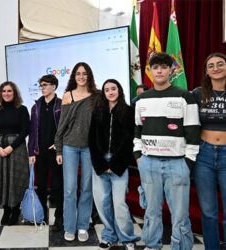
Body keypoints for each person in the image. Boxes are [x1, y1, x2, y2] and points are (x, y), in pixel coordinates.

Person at [134, 52, 200, 250]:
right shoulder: (141, 99)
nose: (159, 70)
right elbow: (137, 131)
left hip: (177, 163)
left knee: (179, 214)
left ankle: (180, 247)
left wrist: (188, 161)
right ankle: (152, 245)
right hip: (149, 163)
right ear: (150, 71)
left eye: (164, 67)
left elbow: (193, 131)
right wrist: (139, 158)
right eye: (155, 67)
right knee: (151, 211)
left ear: (171, 70)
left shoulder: (185, 96)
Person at [89, 79, 140, 249]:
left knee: (119, 204)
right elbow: (91, 140)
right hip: (100, 163)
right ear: (103, 93)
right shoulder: (97, 112)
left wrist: (116, 164)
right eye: (107, 90)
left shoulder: (128, 111)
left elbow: (130, 141)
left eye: (113, 89)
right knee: (102, 203)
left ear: (119, 90)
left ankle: (127, 238)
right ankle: (109, 235)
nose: (110, 92)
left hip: (119, 163)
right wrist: (101, 164)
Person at [54, 62, 99, 242]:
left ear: (89, 75)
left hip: (89, 148)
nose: (81, 76)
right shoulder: (67, 96)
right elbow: (62, 125)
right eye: (78, 73)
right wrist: (58, 149)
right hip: (69, 147)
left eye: (84, 73)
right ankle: (70, 227)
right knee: (70, 189)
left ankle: (82, 226)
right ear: (74, 76)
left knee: (86, 188)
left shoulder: (97, 97)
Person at [192, 52, 226, 249]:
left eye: (220, 64)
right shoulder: (198, 93)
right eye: (211, 66)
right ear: (206, 71)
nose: (216, 68)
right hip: (204, 155)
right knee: (208, 210)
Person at [0, 81, 30, 226]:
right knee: (3, 179)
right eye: (4, 91)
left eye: (10, 91)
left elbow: (26, 130)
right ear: (1, 93)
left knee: (16, 179)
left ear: (15, 93)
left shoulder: (22, 109)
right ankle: (6, 209)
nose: (6, 94)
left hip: (17, 148)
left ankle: (15, 209)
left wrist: (11, 147)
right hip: (0, 148)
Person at [28, 74, 63, 231]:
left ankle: (59, 218)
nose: (42, 87)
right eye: (41, 85)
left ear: (54, 87)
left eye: (45, 85)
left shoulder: (62, 105)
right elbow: (32, 131)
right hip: (39, 152)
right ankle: (42, 215)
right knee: (40, 186)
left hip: (57, 153)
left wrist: (57, 145)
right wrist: (31, 152)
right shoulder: (36, 107)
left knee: (57, 186)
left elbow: (65, 129)